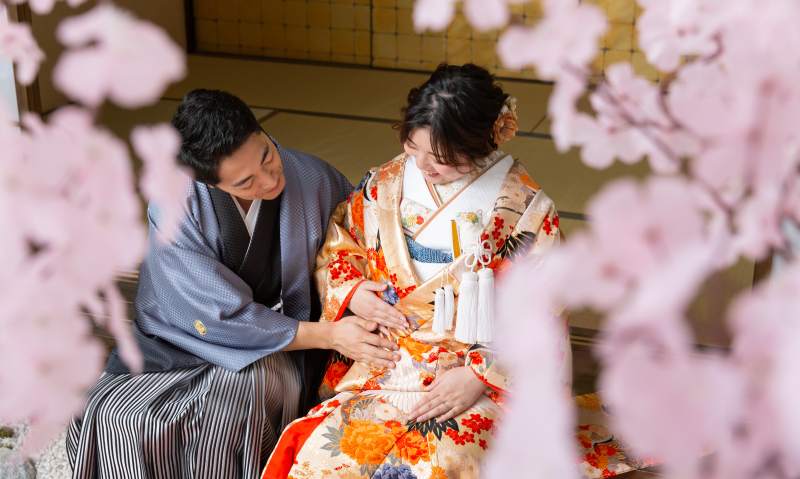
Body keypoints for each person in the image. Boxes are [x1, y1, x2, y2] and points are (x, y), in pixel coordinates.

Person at [66, 89, 403, 479]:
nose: (270, 178)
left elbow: (356, 246)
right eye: (246, 182)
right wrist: (328, 334)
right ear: (209, 184)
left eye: (267, 156)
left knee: (230, 410)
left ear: (260, 130)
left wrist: (350, 291)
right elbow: (211, 313)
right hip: (184, 339)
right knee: (113, 415)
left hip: (286, 345)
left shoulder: (313, 177)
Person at [263, 64, 571, 478]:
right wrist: (354, 293)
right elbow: (343, 245)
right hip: (387, 353)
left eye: (441, 158)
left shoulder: (525, 210)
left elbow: (544, 309)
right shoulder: (384, 183)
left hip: (472, 363)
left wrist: (481, 375)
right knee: (325, 455)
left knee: (442, 462)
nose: (423, 165)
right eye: (413, 148)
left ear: (482, 142)